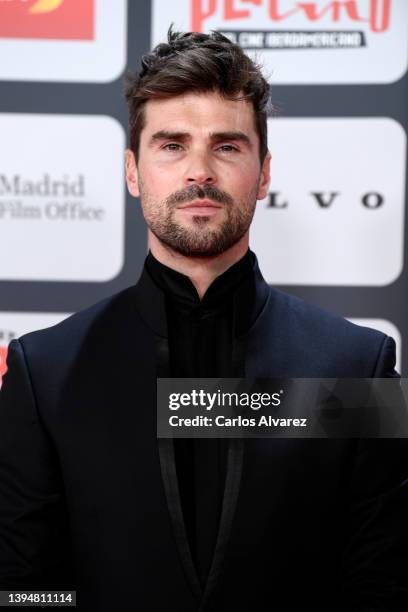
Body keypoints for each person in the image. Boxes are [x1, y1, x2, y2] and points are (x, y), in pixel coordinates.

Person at [0, 27, 407, 612]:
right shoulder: (45, 372)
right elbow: (25, 587)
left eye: (227, 146)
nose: (199, 172)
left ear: (263, 173)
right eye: (171, 145)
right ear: (133, 171)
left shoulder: (360, 365)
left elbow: (384, 582)